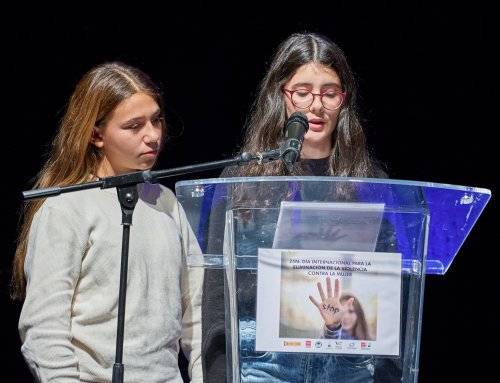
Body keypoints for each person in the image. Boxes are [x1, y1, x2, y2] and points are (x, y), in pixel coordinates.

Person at [202, 32, 400, 383]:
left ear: (344, 99)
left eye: (330, 93)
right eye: (302, 92)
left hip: (347, 364)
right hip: (263, 363)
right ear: (281, 96)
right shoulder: (242, 180)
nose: (317, 105)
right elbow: (218, 294)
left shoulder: (368, 181)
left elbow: (390, 290)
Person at [12, 62, 203, 382]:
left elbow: (197, 316)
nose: (153, 135)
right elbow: (43, 329)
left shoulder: (167, 204)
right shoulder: (66, 209)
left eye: (157, 120)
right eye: (134, 126)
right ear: (96, 135)